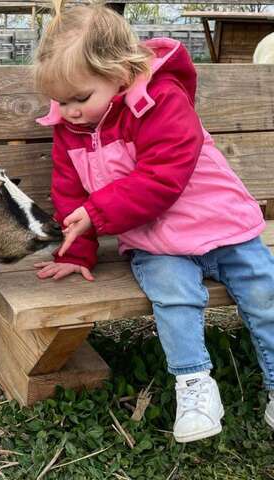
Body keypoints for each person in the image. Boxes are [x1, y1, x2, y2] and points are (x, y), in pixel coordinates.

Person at [32, 0, 274, 443]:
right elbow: (69, 193)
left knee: (265, 295)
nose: (67, 112)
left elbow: (163, 176)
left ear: (121, 72)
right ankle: (195, 385)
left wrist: (98, 213)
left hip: (220, 225)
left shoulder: (161, 101)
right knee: (175, 297)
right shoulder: (72, 129)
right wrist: (79, 250)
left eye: (79, 98)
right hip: (157, 240)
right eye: (59, 101)